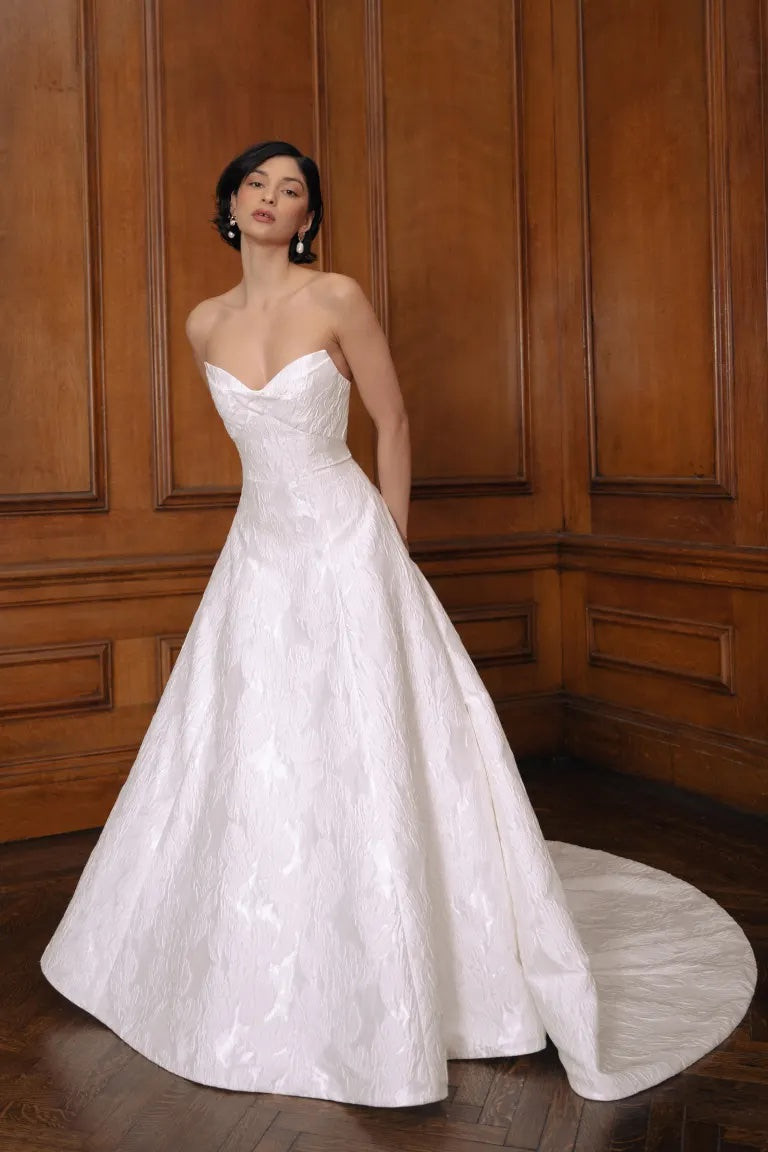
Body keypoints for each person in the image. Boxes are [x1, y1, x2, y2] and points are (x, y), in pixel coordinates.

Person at [41, 140, 756, 1109]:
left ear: (308, 220)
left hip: (346, 542)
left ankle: (397, 965)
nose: (271, 198)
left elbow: (395, 421)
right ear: (229, 204)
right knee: (256, 749)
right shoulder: (203, 321)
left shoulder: (336, 297)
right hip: (258, 553)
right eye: (257, 184)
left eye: (292, 190)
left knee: (369, 743)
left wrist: (391, 553)